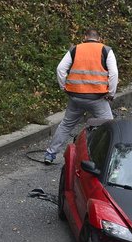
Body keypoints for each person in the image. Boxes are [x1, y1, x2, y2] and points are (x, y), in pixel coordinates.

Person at [43, 29, 119, 164]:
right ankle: (108, 159)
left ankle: (50, 154)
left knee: (66, 125)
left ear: (85, 37)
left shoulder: (75, 49)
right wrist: (111, 93)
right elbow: (113, 73)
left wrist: (64, 87)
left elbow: (60, 69)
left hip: (76, 97)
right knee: (109, 125)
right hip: (97, 98)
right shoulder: (106, 50)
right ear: (99, 39)